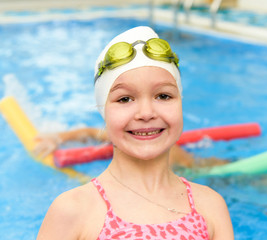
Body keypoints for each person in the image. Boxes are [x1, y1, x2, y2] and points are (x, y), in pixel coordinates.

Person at [37, 26, 234, 239]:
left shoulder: (211, 207)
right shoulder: (73, 211)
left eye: (164, 96)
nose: (146, 113)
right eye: (124, 99)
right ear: (105, 112)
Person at [34, 127, 228, 168]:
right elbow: (91, 132)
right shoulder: (130, 134)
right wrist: (57, 137)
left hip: (202, 172)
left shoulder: (155, 149)